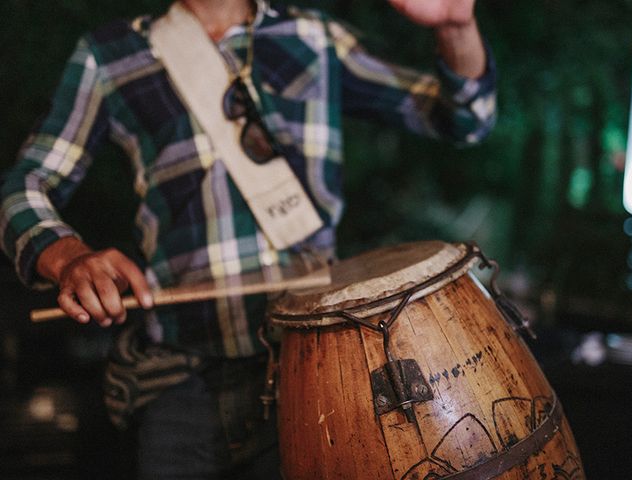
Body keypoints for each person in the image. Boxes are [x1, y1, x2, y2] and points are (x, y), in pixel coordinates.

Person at [0, 0, 496, 478]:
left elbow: (465, 117)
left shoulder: (315, 37)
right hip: (181, 383)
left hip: (317, 370)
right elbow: (23, 186)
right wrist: (66, 256)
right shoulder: (110, 54)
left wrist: (456, 27)